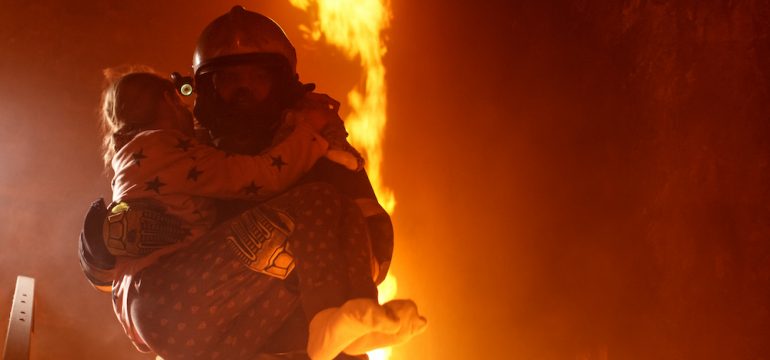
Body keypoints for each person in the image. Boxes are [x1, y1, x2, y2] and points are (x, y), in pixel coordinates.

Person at [79, 7, 426, 358]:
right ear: (206, 87)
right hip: (223, 339)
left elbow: (373, 239)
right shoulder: (185, 154)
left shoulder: (319, 149)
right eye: (229, 80)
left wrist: (301, 264)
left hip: (316, 342)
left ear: (281, 82)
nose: (243, 89)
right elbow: (137, 288)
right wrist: (103, 253)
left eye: (257, 78)